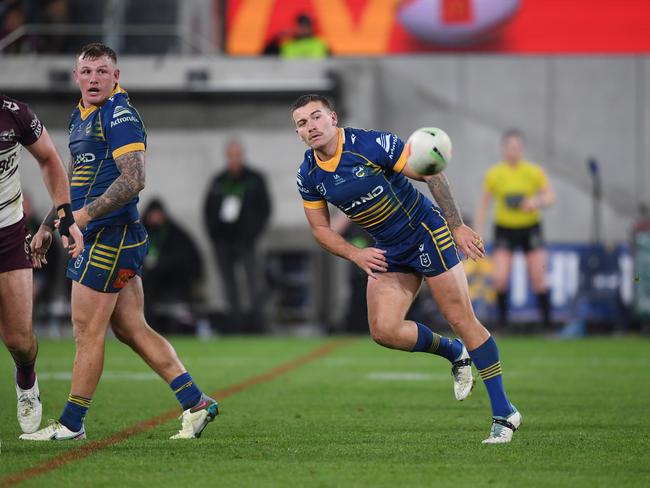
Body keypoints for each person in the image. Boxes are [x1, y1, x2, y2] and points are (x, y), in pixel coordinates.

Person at [291, 94, 521, 443]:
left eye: (316, 117)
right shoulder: (308, 173)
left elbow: (431, 172)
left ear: (333, 118)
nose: (311, 127)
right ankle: (454, 352)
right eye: (302, 123)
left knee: (461, 319)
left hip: (425, 232)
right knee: (384, 330)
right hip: (387, 249)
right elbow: (321, 229)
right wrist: (355, 255)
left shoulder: (368, 144)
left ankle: (505, 412)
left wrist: (456, 225)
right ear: (299, 133)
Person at [21, 43, 218, 441]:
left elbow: (134, 180)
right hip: (102, 234)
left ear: (117, 76)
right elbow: (73, 182)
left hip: (111, 237)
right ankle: (196, 403)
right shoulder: (80, 115)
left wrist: (80, 218)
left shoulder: (120, 113)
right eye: (87, 71)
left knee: (86, 330)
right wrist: (49, 223)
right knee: (131, 328)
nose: (94, 79)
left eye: (102, 71)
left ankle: (72, 424)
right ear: (76, 76)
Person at [0, 93, 83, 435]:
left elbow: (49, 158)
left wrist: (62, 215)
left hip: (7, 232)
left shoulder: (15, 114)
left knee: (19, 339)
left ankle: (26, 381)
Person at [474, 130, 556, 330]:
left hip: (530, 228)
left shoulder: (534, 172)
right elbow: (484, 205)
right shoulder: (494, 174)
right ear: (503, 149)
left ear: (522, 149)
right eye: (510, 147)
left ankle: (547, 326)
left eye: (517, 147)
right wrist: (477, 234)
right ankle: (502, 325)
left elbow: (550, 197)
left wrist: (534, 202)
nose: (513, 151)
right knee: (500, 278)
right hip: (505, 229)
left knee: (538, 278)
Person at [203, 137, 272, 330]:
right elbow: (208, 210)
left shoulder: (255, 179)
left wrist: (253, 233)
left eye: (237, 155)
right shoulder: (219, 180)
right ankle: (235, 324)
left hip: (247, 241)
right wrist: (214, 235)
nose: (234, 159)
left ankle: (258, 325)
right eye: (231, 155)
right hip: (223, 241)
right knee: (229, 284)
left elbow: (264, 209)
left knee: (253, 282)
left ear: (242, 156)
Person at [142, 198, 204, 333]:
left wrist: (160, 265)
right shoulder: (140, 233)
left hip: (173, 279)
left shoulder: (176, 233)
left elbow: (186, 259)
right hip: (148, 280)